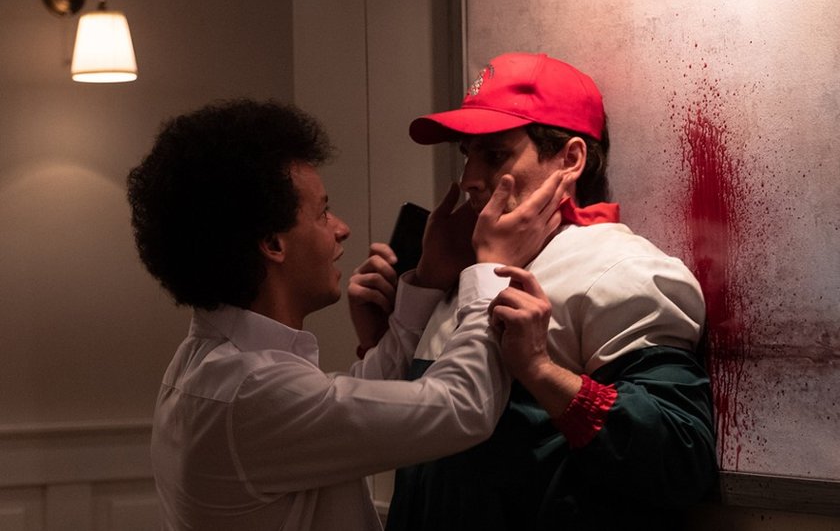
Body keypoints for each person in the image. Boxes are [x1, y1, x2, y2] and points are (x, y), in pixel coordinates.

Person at [126, 98, 568, 531]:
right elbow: (460, 407)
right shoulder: (250, 392)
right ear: (274, 244)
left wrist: (427, 281)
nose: (342, 228)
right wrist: (490, 266)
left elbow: (351, 409)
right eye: (322, 213)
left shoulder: (207, 362)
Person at [350, 53, 717, 530]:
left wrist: (541, 372)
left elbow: (680, 457)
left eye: (494, 155)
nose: (468, 180)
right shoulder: (468, 273)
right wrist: (417, 296)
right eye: (467, 155)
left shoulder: (620, 270)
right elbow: (413, 433)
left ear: (570, 159)